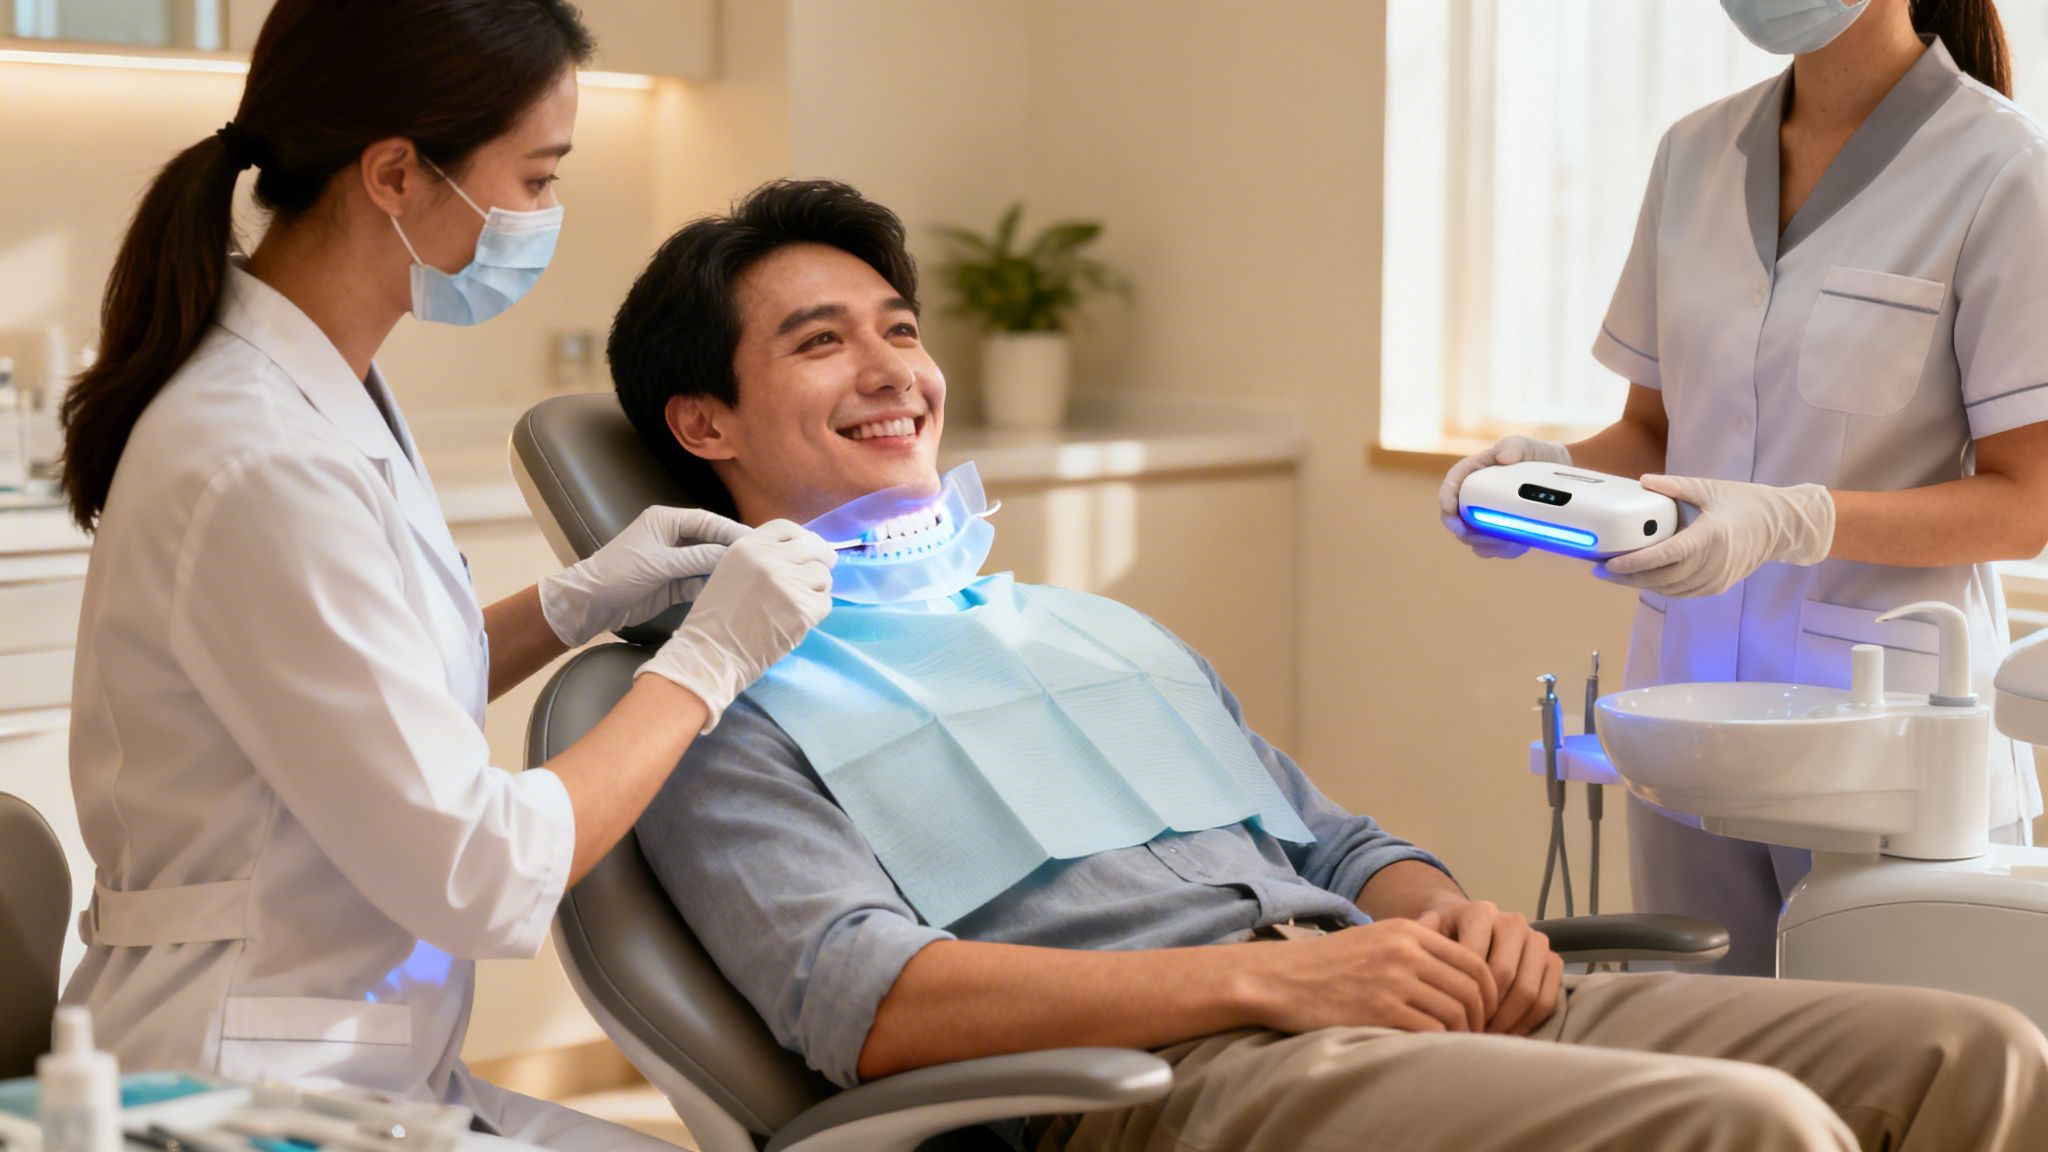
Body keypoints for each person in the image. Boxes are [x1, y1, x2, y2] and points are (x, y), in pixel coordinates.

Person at [611, 178, 2048, 1152]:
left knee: (1979, 1056)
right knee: (1754, 1129)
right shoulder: (702, 704)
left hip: (1376, 989)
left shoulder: (1076, 624)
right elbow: (871, 1001)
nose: (894, 371)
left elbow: (1335, 840)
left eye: (901, 331)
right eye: (821, 344)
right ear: (707, 422)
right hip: (1178, 1082)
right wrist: (1272, 991)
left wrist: (1455, 921)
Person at [56, 2, 833, 1145]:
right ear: (394, 175)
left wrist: (563, 608)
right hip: (244, 1087)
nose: (545, 216)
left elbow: (361, 703)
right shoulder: (259, 455)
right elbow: (479, 870)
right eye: (534, 179)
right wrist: (708, 662)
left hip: (361, 1057)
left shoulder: (324, 387)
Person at [1437, 0, 2048, 975]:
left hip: (1883, 751)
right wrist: (1536, 478)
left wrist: (1795, 521)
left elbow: (2025, 505)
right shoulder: (1691, 154)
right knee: (1709, 1088)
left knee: (1879, 1095)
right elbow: (1650, 430)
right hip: (1684, 728)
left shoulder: (2002, 167)